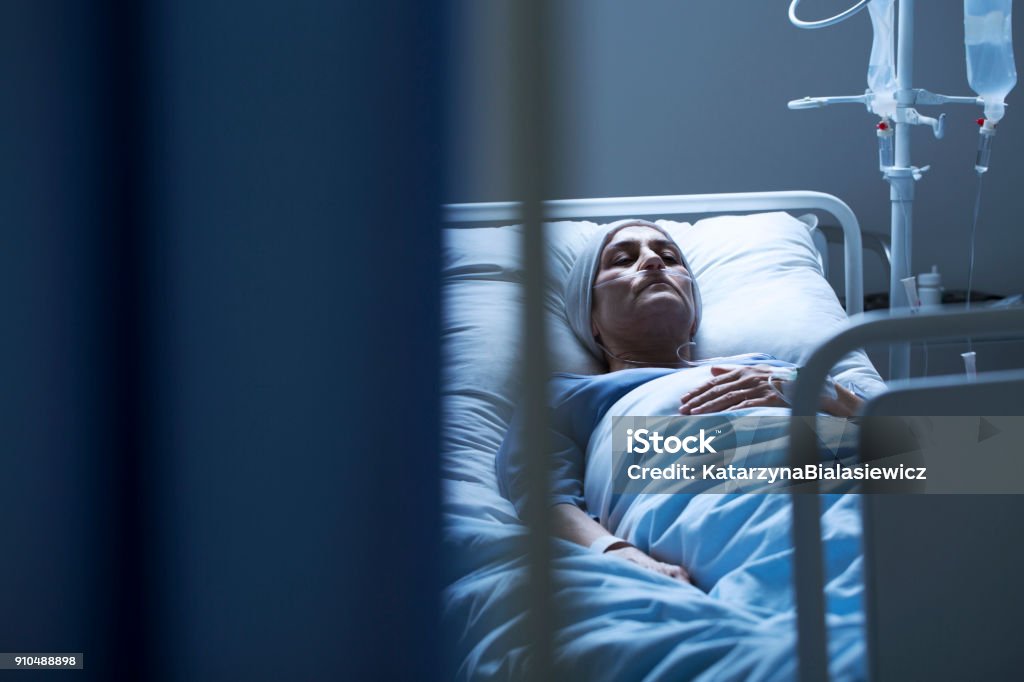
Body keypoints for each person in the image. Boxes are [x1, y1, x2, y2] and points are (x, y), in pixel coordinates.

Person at [496, 219, 864, 584]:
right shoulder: (567, 396)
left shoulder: (778, 369)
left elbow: (911, 446)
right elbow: (543, 497)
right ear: (589, 315)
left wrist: (816, 389)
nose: (654, 262)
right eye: (623, 260)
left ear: (692, 315)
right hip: (732, 514)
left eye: (669, 258)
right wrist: (616, 553)